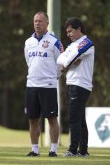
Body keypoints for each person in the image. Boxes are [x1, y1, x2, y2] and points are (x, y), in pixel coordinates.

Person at [24, 12, 64, 157]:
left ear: (47, 23)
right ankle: (35, 150)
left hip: (48, 86)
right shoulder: (28, 42)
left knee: (52, 119)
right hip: (32, 85)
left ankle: (53, 150)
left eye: (40, 21)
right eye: (35, 21)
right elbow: (28, 61)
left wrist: (52, 77)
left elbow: (61, 64)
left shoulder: (55, 42)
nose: (37, 23)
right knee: (33, 119)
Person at [57, 17, 94, 157]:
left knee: (73, 118)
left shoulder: (86, 42)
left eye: (71, 31)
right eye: (67, 32)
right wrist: (69, 62)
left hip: (80, 84)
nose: (68, 34)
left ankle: (72, 150)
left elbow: (72, 57)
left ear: (79, 29)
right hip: (72, 83)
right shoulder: (73, 45)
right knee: (79, 119)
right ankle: (83, 151)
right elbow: (60, 59)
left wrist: (67, 64)